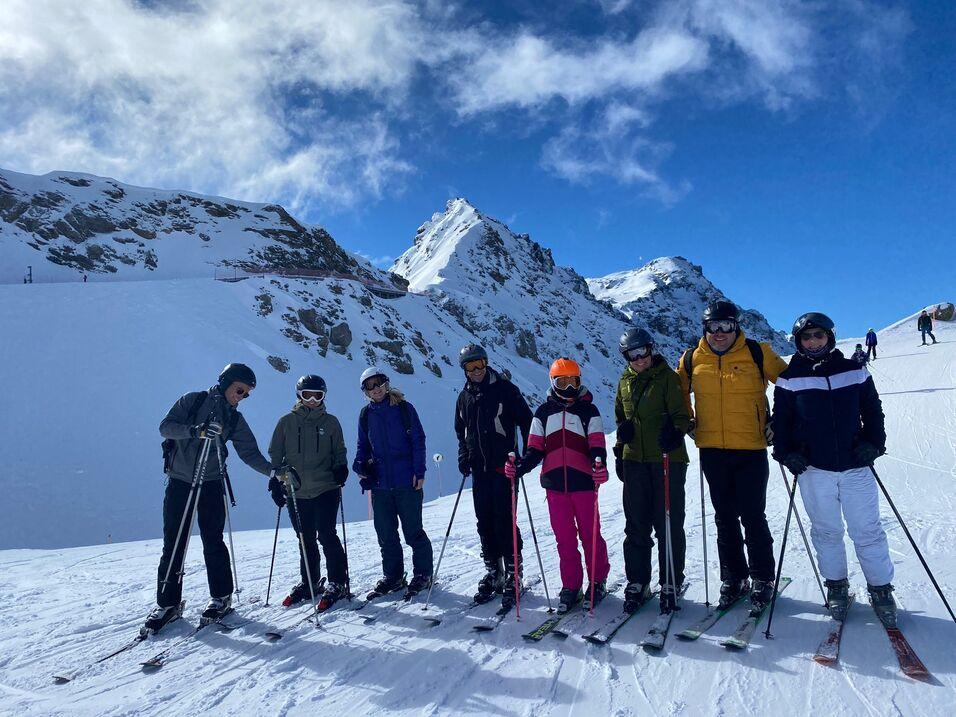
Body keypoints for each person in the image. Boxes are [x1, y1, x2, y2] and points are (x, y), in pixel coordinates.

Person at [772, 312, 895, 625]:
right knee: (827, 532)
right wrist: (786, 453)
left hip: (856, 466)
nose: (813, 341)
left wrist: (874, 443)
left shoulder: (853, 371)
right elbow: (782, 422)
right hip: (815, 469)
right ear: (799, 342)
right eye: (806, 337)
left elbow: (873, 410)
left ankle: (881, 589)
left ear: (829, 337)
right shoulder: (789, 378)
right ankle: (837, 587)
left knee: (867, 531)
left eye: (818, 335)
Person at [145, 363, 275, 633]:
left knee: (213, 541)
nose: (242, 397)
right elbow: (166, 427)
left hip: (211, 483)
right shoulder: (192, 401)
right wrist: (196, 430)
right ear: (226, 382)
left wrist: (274, 472)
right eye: (240, 390)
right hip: (180, 481)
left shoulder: (234, 420)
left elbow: (250, 453)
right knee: (174, 542)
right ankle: (168, 604)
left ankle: (221, 597)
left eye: (246, 394)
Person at [678, 301, 788, 610]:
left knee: (753, 516)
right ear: (705, 328)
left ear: (736, 326)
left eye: (726, 326)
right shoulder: (691, 359)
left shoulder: (757, 352)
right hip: (712, 450)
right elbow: (676, 393)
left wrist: (779, 421)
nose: (719, 333)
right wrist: (687, 421)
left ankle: (763, 578)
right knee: (724, 517)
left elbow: (792, 384)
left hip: (751, 449)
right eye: (713, 326)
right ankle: (734, 577)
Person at [508, 358, 610, 613]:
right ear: (553, 383)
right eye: (561, 382)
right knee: (564, 538)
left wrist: (600, 465)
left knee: (590, 534)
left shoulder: (589, 411)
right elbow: (535, 449)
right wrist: (520, 466)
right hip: (555, 486)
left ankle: (598, 580)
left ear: (580, 381)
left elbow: (597, 444)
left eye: (573, 382)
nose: (568, 388)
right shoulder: (543, 413)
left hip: (584, 483)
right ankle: (571, 585)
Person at [614, 328, 691, 614]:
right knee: (636, 524)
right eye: (631, 355)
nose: (638, 359)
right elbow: (621, 417)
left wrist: (676, 432)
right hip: (635, 461)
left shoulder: (668, 378)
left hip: (666, 459)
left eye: (642, 352)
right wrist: (619, 450)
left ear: (651, 349)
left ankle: (670, 582)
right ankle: (638, 582)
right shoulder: (624, 381)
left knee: (668, 523)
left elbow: (682, 415)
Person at [455, 344, 533, 608]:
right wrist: (463, 455)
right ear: (464, 370)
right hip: (480, 470)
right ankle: (494, 571)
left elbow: (527, 422)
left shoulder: (506, 390)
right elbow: (461, 431)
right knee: (484, 521)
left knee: (505, 520)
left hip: (504, 468)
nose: (476, 371)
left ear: (487, 364)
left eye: (479, 365)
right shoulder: (464, 397)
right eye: (470, 367)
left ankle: (514, 574)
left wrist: (523, 454)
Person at [268, 375, 350, 610]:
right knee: (304, 539)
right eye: (307, 395)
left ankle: (337, 581)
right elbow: (276, 454)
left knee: (326, 534)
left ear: (324, 397)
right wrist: (275, 481)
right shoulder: (286, 422)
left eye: (318, 395)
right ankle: (310, 582)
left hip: (326, 488)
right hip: (296, 491)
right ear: (299, 395)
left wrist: (340, 467)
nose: (312, 400)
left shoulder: (331, 422)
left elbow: (339, 450)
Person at [352, 367, 433, 600]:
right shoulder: (366, 415)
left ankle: (423, 574)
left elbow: (418, 440)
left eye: (378, 383)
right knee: (386, 534)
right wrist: (360, 465)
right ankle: (394, 576)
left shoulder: (404, 409)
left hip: (407, 481)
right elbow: (362, 447)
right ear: (365, 391)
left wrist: (420, 471)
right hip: (380, 485)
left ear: (386, 384)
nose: (375, 388)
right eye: (370, 385)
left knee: (413, 532)